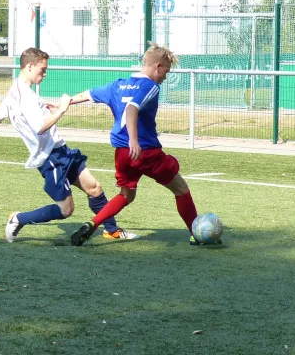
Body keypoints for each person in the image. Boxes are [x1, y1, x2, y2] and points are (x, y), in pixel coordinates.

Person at [0, 47, 138, 243]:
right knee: (66, 210)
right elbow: (40, 127)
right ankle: (18, 219)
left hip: (61, 150)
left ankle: (111, 230)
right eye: (43, 69)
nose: (45, 74)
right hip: (50, 158)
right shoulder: (25, 97)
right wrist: (62, 109)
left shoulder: (17, 89)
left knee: (95, 188)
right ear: (29, 66)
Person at [67, 42, 201, 246]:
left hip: (122, 154)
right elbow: (132, 108)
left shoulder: (117, 85)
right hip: (144, 152)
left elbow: (87, 95)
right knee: (181, 188)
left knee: (126, 195)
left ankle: (91, 225)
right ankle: (197, 234)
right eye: (166, 70)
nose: (166, 76)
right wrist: (134, 140)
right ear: (157, 66)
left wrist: (65, 103)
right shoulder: (150, 86)